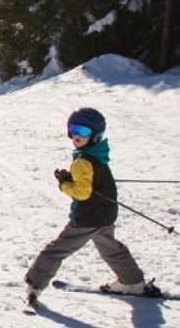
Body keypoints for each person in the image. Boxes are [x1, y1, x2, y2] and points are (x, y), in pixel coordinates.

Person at [23, 106, 159, 310]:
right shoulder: (99, 153)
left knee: (56, 250)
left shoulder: (81, 162)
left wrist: (64, 184)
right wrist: (76, 179)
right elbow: (91, 181)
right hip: (106, 213)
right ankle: (133, 283)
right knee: (110, 248)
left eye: (83, 132)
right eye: (73, 129)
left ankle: (33, 288)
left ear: (95, 135)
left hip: (88, 217)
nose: (76, 135)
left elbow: (82, 193)